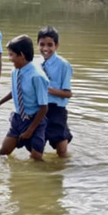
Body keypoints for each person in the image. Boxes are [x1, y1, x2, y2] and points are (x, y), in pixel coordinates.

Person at [0, 35, 49, 161]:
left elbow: (44, 107)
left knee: (36, 159)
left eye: (11, 55)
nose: (9, 59)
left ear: (22, 55)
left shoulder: (37, 76)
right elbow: (15, 91)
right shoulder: (16, 70)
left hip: (34, 121)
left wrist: (30, 130)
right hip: (18, 120)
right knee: (1, 154)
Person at [37, 26, 73, 157]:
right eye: (42, 44)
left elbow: (68, 93)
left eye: (50, 45)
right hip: (39, 108)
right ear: (37, 45)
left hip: (56, 110)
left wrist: (48, 90)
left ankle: (62, 171)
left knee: (61, 150)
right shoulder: (36, 63)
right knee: (37, 146)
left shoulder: (63, 65)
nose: (45, 49)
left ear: (56, 45)